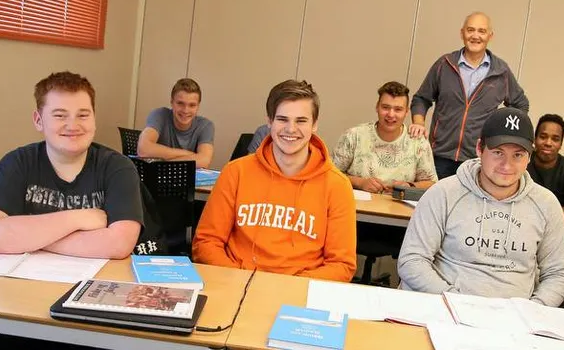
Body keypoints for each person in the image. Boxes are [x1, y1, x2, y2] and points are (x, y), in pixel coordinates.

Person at [0, 72, 156, 350]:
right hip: (10, 293)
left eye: (83, 115)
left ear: (94, 119)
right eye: (60, 115)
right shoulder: (16, 163)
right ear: (39, 120)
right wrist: (79, 218)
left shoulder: (118, 168)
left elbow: (119, 243)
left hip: (86, 296)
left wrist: (29, 236)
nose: (73, 125)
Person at [397, 107, 564, 305]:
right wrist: (455, 301)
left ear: (530, 155)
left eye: (518, 155)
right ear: (480, 148)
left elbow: (558, 274)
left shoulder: (546, 204)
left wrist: (533, 309)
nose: (507, 165)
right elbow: (411, 261)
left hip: (514, 320)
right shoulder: (443, 193)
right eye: (498, 152)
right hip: (445, 307)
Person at [192, 80, 357, 282]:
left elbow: (341, 265)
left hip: (298, 295)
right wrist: (240, 280)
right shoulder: (236, 172)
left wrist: (288, 289)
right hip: (237, 285)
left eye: (301, 121)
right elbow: (206, 243)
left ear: (315, 125)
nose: (291, 129)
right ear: (269, 121)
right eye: (282, 119)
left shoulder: (337, 185)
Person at [409, 12, 529, 179]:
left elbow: (520, 104)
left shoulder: (501, 71)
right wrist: (418, 123)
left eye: (481, 31)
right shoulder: (444, 65)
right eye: (470, 30)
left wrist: (504, 134)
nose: (475, 36)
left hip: (478, 160)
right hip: (439, 157)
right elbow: (421, 98)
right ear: (462, 33)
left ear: (490, 36)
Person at [331, 81, 437, 193]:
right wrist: (360, 183)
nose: (391, 114)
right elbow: (329, 174)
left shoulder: (417, 142)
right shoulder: (354, 136)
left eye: (398, 109)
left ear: (406, 112)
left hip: (398, 209)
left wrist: (409, 186)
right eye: (385, 107)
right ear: (377, 107)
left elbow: (432, 184)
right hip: (357, 207)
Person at [138, 78, 214, 168]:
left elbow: (204, 161)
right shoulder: (159, 115)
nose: (185, 110)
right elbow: (143, 150)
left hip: (186, 179)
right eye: (180, 103)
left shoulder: (205, 125)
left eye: (192, 105)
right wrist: (189, 154)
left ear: (198, 106)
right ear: (172, 102)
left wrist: (163, 163)